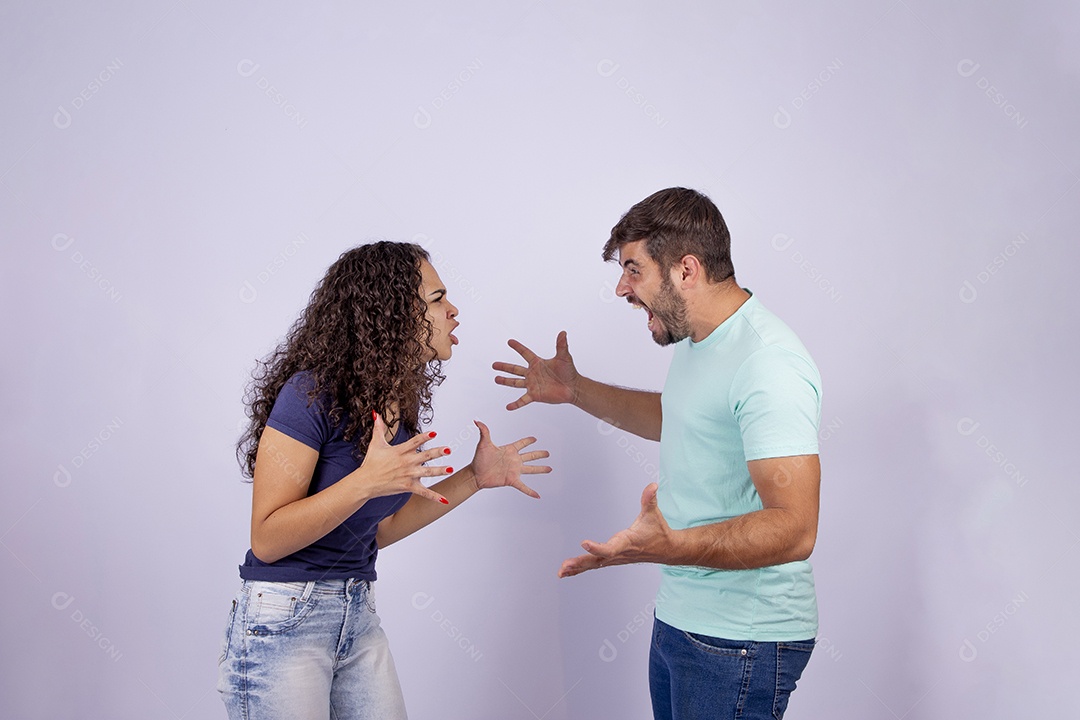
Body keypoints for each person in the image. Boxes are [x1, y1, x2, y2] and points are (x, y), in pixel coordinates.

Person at [493, 187, 822, 720]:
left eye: (633, 270)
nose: (622, 288)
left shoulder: (769, 364)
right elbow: (681, 419)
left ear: (686, 270)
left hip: (741, 638)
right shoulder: (703, 340)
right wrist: (576, 391)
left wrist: (669, 546)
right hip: (684, 618)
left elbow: (797, 528)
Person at [218, 240, 551, 720]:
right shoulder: (309, 394)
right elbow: (267, 539)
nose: (453, 311)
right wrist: (365, 483)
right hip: (284, 616)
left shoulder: (396, 408)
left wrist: (474, 478)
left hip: (356, 610)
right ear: (393, 312)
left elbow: (379, 530)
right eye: (437, 300)